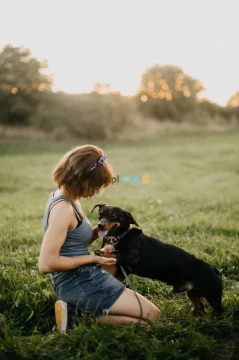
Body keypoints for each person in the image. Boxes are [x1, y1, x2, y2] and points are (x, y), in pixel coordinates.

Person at [38, 144, 160, 331]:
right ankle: (79, 316)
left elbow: (71, 240)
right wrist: (93, 258)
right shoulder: (63, 209)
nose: (96, 191)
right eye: (95, 185)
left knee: (122, 266)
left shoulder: (65, 196)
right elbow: (46, 264)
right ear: (81, 177)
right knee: (152, 317)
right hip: (77, 282)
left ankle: (79, 309)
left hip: (79, 275)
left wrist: (108, 229)